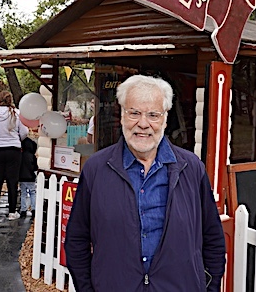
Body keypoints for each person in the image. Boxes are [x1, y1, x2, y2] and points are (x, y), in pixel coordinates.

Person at [65, 75, 225, 291]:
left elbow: (213, 237)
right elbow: (76, 240)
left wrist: (209, 287)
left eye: (153, 115)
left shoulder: (191, 168)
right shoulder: (96, 169)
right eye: (134, 113)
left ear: (165, 119)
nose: (143, 123)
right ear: (122, 115)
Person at [0, 91, 28, 222]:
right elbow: (24, 132)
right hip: (13, 150)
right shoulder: (16, 113)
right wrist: (17, 138)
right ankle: (12, 211)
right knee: (12, 181)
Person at [18, 136, 38, 218]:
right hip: (31, 177)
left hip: (22, 177)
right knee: (32, 193)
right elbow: (35, 167)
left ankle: (23, 210)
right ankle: (33, 209)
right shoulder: (32, 156)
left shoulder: (20, 155)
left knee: (23, 193)